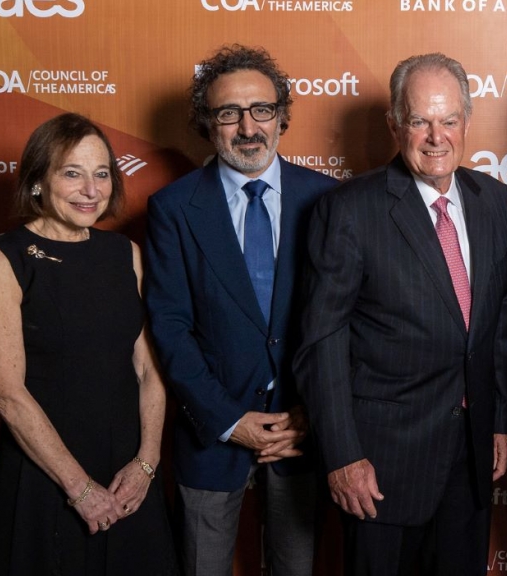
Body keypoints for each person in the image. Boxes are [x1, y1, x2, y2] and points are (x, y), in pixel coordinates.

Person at [292, 53, 507, 576]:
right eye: (419, 121)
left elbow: (500, 325)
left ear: (467, 123)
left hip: (471, 458)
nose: (436, 136)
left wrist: (500, 420)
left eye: (449, 120)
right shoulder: (348, 210)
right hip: (381, 465)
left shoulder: (496, 202)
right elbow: (321, 342)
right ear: (395, 124)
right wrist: (343, 456)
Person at [144, 44, 336, 576]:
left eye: (262, 110)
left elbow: (343, 325)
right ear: (208, 124)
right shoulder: (172, 209)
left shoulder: (329, 200)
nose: (247, 127)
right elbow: (171, 328)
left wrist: (312, 415)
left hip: (302, 435)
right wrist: (229, 421)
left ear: (283, 117)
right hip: (211, 436)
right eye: (228, 113)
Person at [0, 113, 176, 575]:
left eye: (102, 173)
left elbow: (149, 369)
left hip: (128, 475)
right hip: (46, 475)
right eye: (72, 173)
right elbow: (5, 392)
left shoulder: (124, 253)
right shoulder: (2, 259)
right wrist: (79, 489)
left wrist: (147, 462)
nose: (92, 189)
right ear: (38, 181)